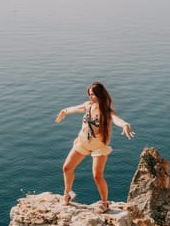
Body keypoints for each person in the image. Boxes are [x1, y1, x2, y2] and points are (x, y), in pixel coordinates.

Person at [55, 82, 135, 213]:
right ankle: (67, 194)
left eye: (92, 94)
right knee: (67, 168)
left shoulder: (106, 111)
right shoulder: (88, 106)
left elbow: (116, 119)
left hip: (98, 145)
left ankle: (104, 203)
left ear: (99, 95)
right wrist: (64, 111)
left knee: (97, 176)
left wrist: (125, 124)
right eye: (89, 94)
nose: (90, 97)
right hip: (83, 141)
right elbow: (75, 108)